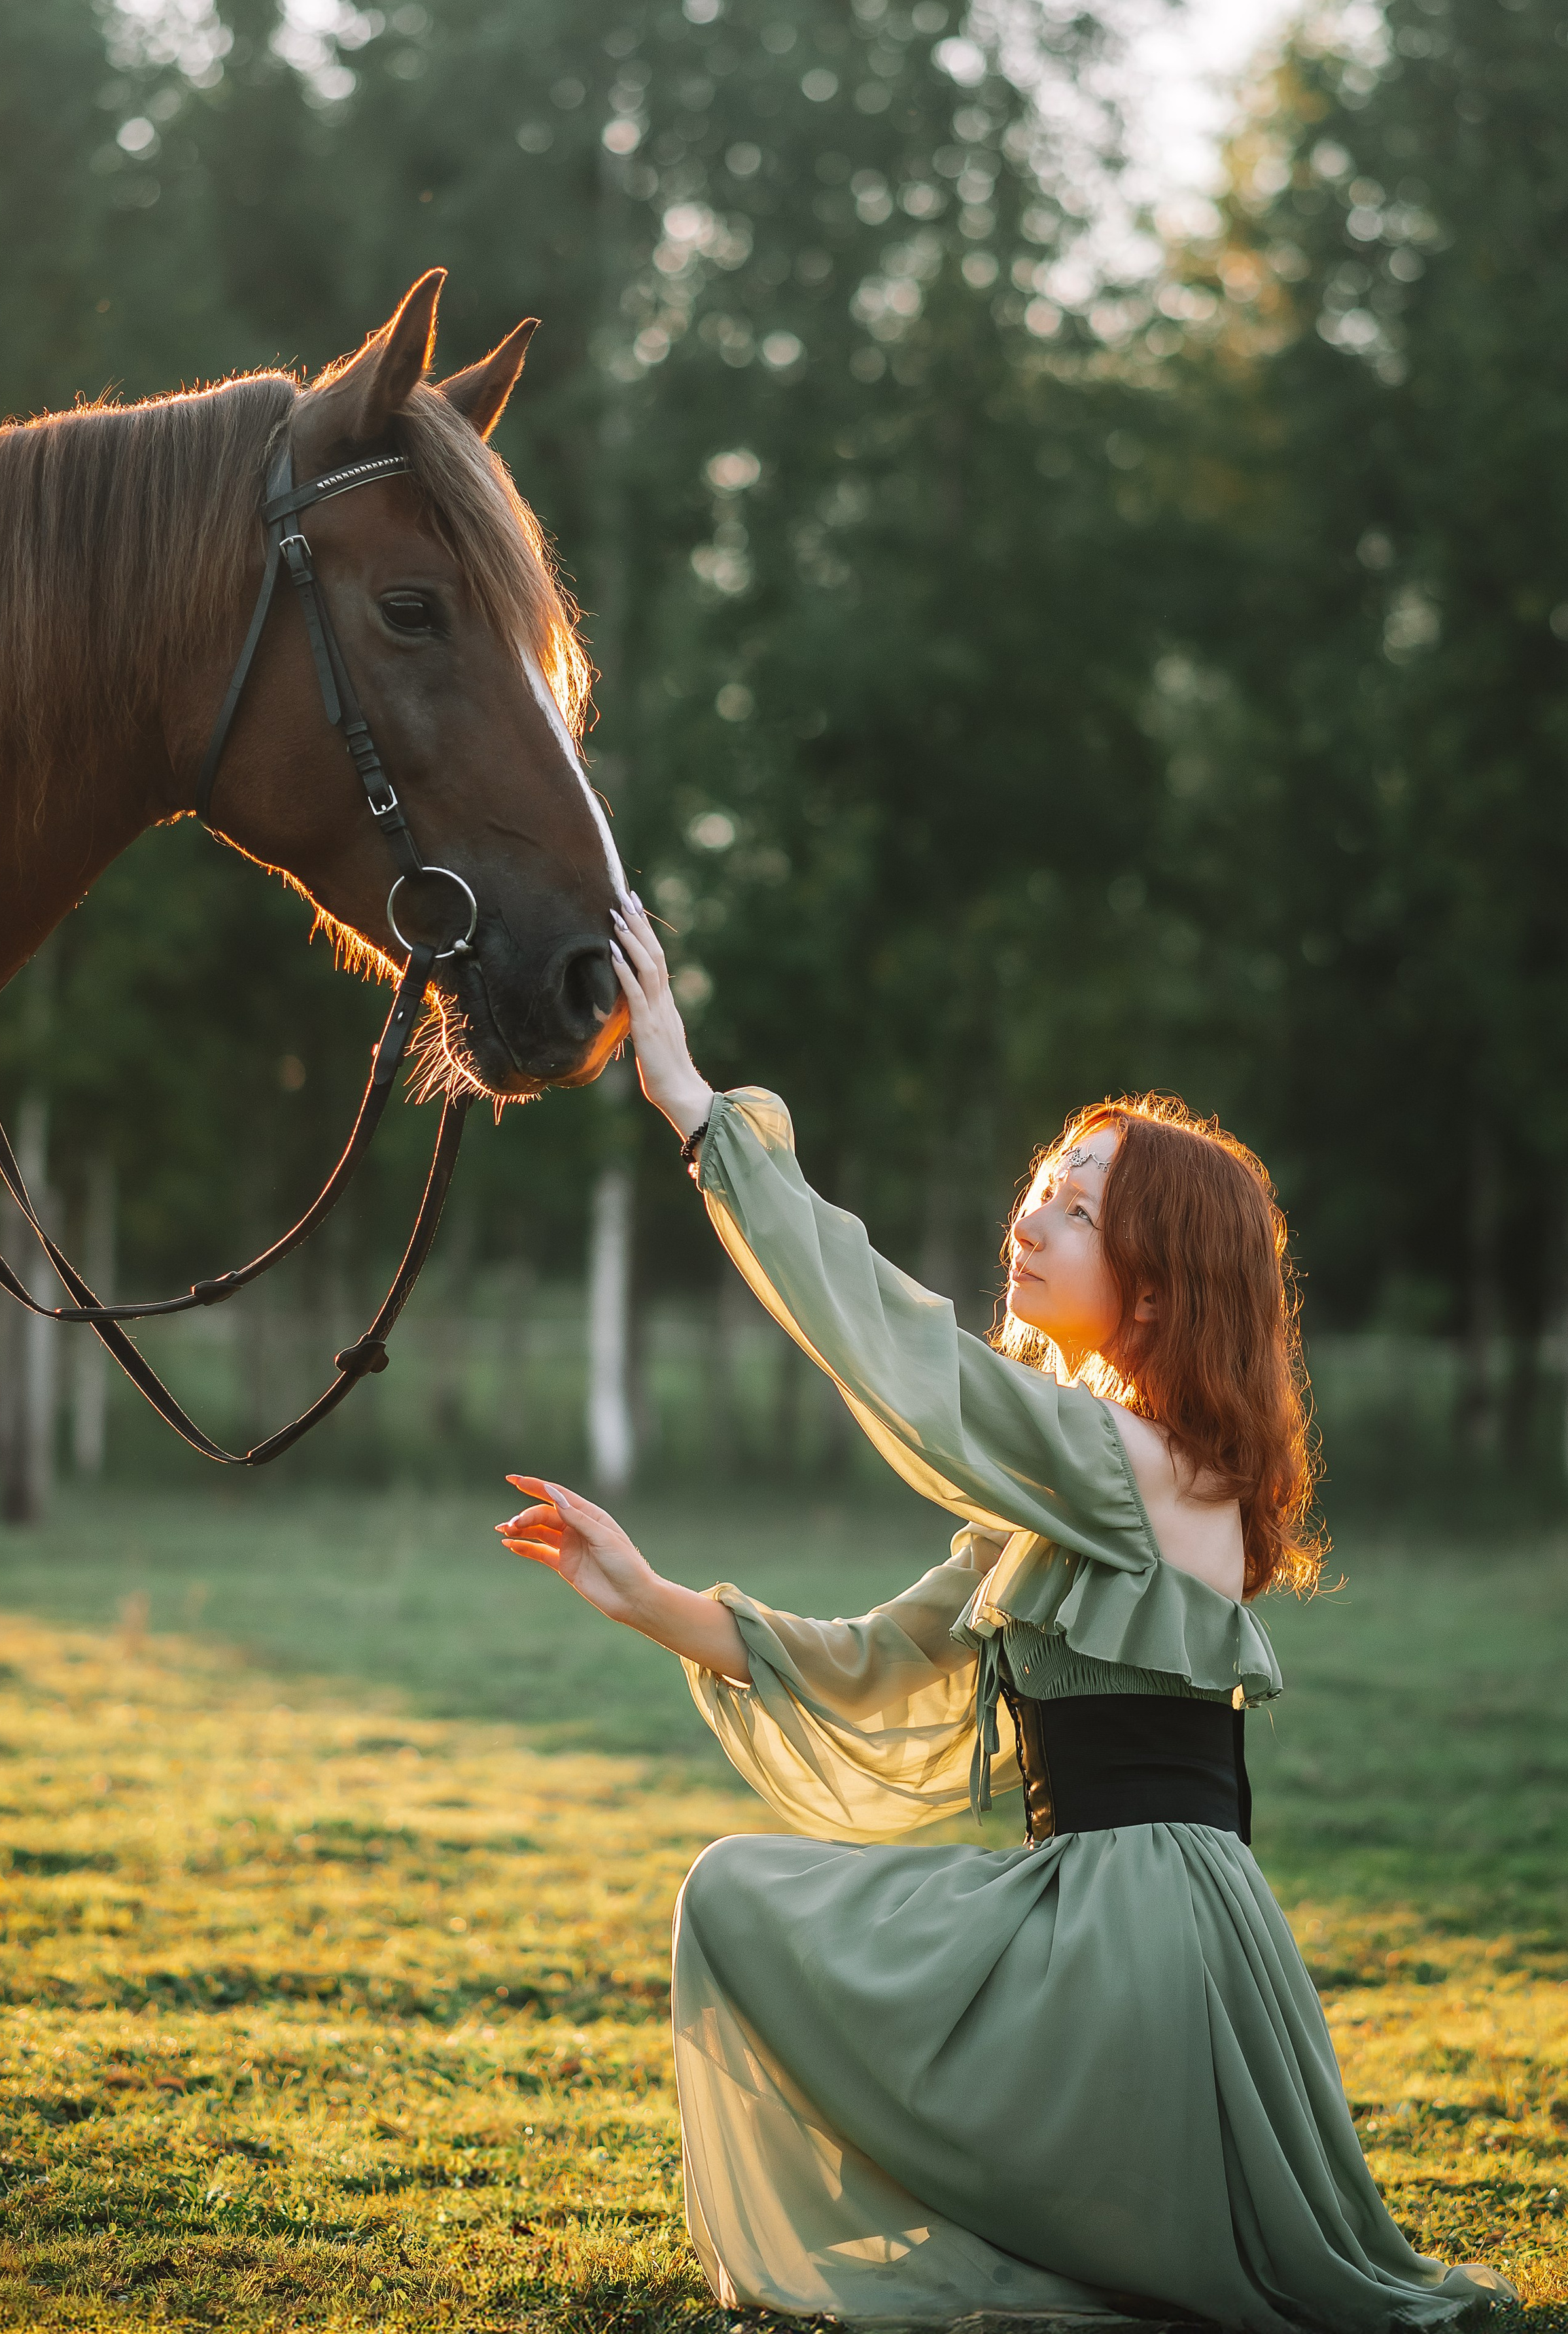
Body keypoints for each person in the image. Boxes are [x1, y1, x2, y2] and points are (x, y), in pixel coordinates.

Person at [497, 892, 1514, 2333]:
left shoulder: (1145, 1468)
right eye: (1041, 1183)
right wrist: (646, 1595)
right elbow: (873, 1665)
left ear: (1158, 1293)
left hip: (1137, 1939)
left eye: (1078, 1206)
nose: (1028, 1216)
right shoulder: (1090, 1478)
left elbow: (912, 1362)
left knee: (749, 1907)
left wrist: (688, 1102)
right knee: (733, 1890)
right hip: (1092, 1915)